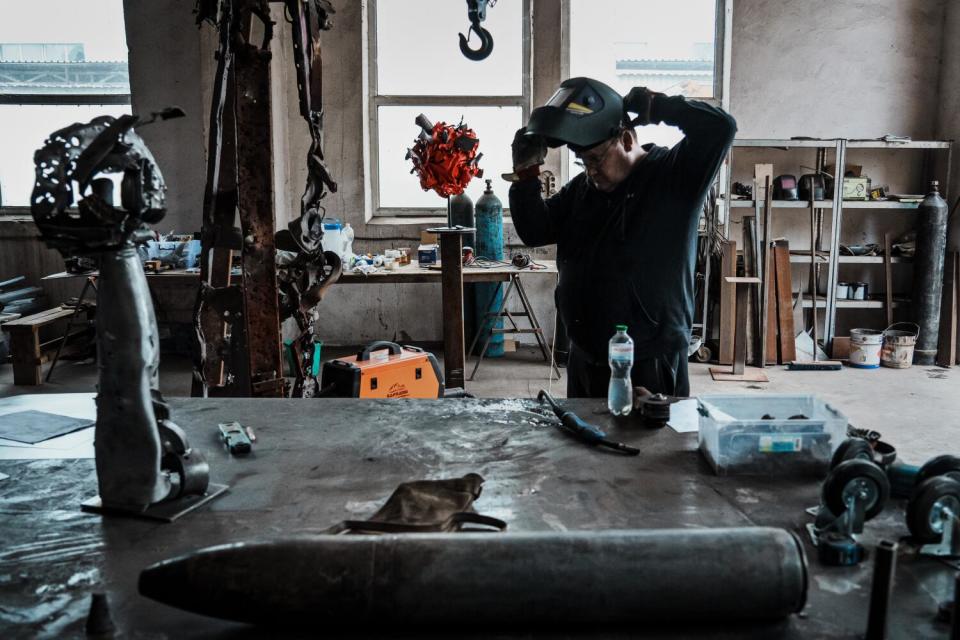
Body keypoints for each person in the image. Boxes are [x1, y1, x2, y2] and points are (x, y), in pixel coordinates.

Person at [506, 77, 736, 398]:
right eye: (583, 161)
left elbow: (720, 128)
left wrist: (659, 106)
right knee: (584, 445)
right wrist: (526, 176)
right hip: (586, 357)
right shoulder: (583, 191)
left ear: (626, 140)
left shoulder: (674, 177)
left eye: (597, 159)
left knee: (652, 447)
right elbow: (535, 230)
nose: (591, 170)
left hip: (648, 360)